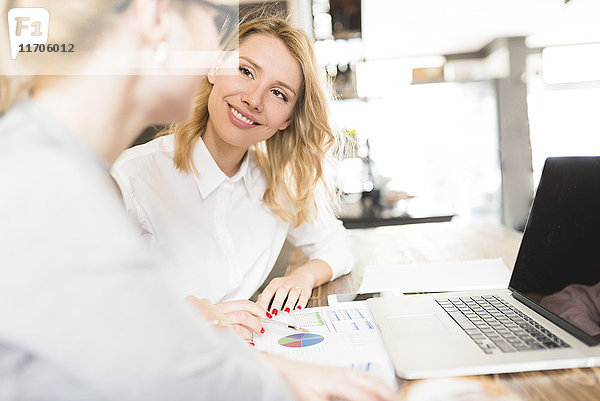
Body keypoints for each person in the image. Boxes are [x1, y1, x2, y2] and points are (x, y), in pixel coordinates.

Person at [0, 1, 394, 400]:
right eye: (213, 17)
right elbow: (151, 360)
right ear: (156, 20)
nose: (216, 50)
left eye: (276, 92)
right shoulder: (56, 185)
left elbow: (121, 335)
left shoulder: (59, 164)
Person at [111, 15, 353, 335]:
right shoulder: (131, 178)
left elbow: (338, 247)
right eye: (245, 71)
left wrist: (301, 278)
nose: (253, 99)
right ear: (215, 69)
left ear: (287, 120)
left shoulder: (277, 183)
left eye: (278, 93)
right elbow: (84, 299)